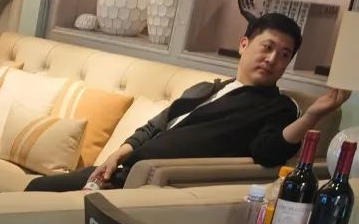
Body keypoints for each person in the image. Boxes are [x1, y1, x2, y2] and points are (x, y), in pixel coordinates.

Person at [25, 13, 348, 191]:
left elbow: (269, 152)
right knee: (36, 188)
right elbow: (155, 125)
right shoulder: (207, 88)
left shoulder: (279, 107)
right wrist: (117, 154)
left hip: (152, 183)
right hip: (121, 170)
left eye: (284, 54)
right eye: (267, 47)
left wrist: (312, 115)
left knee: (38, 193)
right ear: (244, 44)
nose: (273, 59)